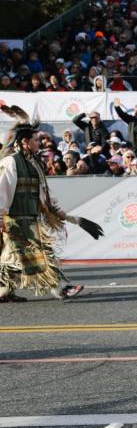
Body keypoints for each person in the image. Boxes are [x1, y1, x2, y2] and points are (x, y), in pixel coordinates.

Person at [0, 125, 85, 302]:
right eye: (36, 140)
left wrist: (54, 208)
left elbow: (42, 190)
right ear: (25, 142)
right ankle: (60, 289)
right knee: (42, 253)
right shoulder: (10, 163)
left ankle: (3, 292)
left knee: (12, 258)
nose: (39, 143)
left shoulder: (34, 163)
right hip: (15, 220)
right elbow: (1, 191)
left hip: (30, 218)